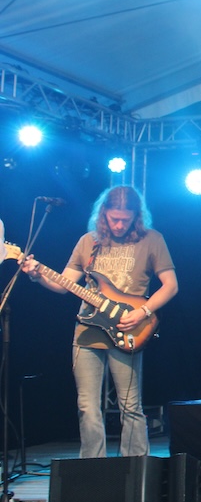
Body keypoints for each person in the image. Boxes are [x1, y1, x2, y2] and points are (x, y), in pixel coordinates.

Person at [20, 186, 177, 458]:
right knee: (87, 405)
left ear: (136, 217)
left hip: (128, 327)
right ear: (103, 214)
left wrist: (143, 312)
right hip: (88, 330)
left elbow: (171, 285)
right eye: (114, 219)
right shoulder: (88, 242)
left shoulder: (152, 240)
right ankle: (92, 468)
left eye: (125, 220)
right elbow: (63, 284)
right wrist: (37, 275)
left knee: (130, 406)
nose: (119, 225)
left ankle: (136, 468)